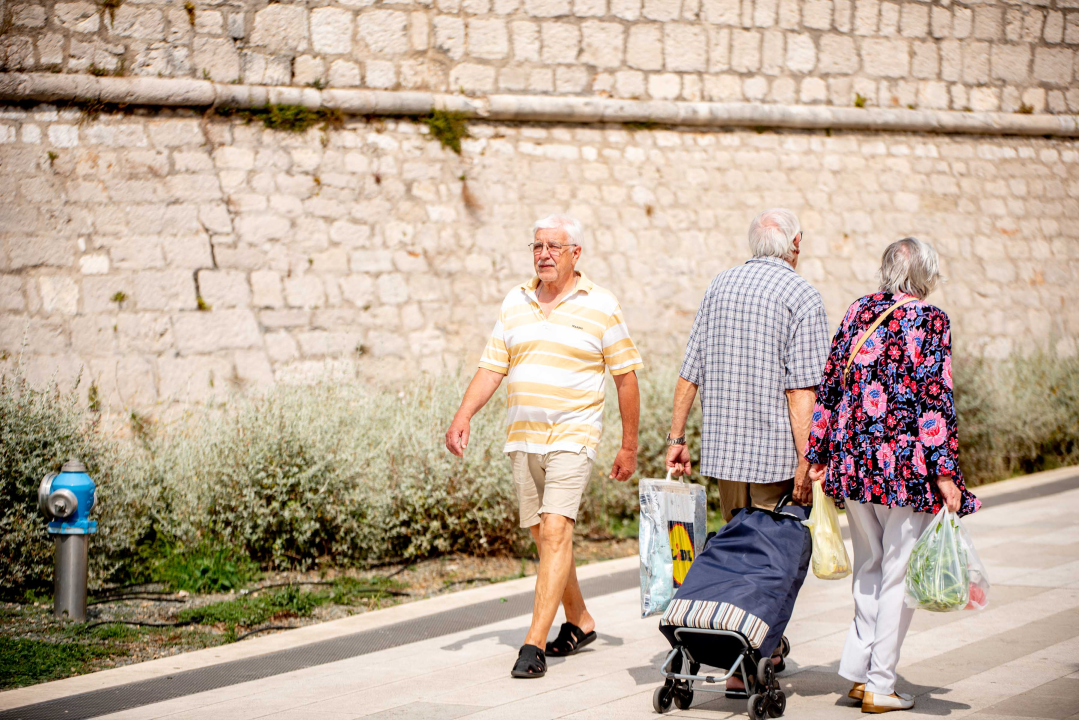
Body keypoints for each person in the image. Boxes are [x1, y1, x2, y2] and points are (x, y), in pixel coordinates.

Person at [445, 214, 643, 679]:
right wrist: (463, 414)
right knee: (544, 537)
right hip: (523, 438)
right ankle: (580, 620)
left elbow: (626, 377)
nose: (544, 254)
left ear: (577, 253)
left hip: (573, 436)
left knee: (555, 532)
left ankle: (532, 644)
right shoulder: (515, 302)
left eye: (555, 246)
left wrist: (628, 445)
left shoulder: (602, 305)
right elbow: (493, 365)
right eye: (537, 246)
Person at [804, 237, 980, 714]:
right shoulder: (929, 319)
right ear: (924, 274)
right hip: (906, 469)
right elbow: (934, 399)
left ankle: (861, 675)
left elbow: (831, 386)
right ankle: (881, 683)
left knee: (870, 568)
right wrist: (947, 475)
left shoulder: (859, 310)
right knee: (898, 574)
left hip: (855, 465)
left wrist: (816, 450)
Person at [665, 208, 830, 693]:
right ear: (795, 245)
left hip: (723, 456)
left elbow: (689, 368)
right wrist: (808, 459)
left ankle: (758, 648)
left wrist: (676, 439)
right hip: (775, 458)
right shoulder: (802, 295)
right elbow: (802, 390)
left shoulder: (719, 285)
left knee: (734, 556)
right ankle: (747, 664)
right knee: (764, 564)